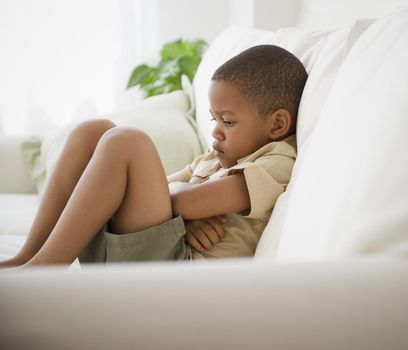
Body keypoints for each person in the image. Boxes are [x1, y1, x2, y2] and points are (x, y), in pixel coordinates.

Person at [0, 44, 308, 267]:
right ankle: (29, 256)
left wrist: (183, 209)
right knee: (92, 131)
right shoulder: (213, 160)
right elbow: (166, 193)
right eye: (214, 120)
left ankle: (42, 271)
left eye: (228, 121)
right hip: (145, 254)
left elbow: (185, 200)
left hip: (173, 275)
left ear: (277, 124)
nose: (216, 132)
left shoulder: (276, 161)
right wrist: (184, 220)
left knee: (127, 141)